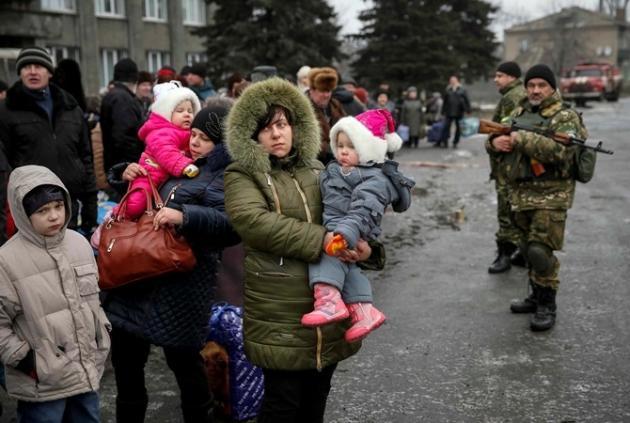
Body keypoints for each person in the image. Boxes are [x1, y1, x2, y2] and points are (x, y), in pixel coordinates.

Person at [223, 77, 367, 422]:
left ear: (295, 126)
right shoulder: (242, 174)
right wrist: (324, 241)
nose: (276, 134)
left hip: (329, 308)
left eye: (282, 124)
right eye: (266, 128)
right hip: (280, 310)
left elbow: (352, 215)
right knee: (282, 405)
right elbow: (254, 222)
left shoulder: (319, 169)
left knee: (316, 401)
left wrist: (366, 248)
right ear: (251, 135)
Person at [103, 99, 239, 422]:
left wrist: (185, 216)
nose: (194, 142)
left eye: (204, 138)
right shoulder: (176, 159)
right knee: (127, 367)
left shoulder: (227, 176)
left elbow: (231, 225)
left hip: (182, 288)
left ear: (221, 143)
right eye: (192, 134)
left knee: (186, 368)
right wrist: (125, 172)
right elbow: (143, 182)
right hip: (136, 276)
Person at [0, 165, 110, 423]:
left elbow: (92, 298)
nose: (54, 216)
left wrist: (101, 333)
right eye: (42, 210)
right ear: (23, 214)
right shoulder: (7, 260)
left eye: (58, 206)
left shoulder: (79, 244)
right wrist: (27, 361)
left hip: (85, 370)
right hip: (43, 384)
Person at [488, 64, 587, 331]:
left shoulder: (564, 117)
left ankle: (547, 305)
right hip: (520, 194)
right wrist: (494, 143)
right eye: (531, 85)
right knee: (526, 248)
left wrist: (521, 139)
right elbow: (495, 133)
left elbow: (560, 152)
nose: (535, 90)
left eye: (541, 85)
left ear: (552, 88)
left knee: (539, 251)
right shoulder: (519, 112)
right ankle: (535, 296)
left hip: (552, 194)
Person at [301, 109, 414, 343]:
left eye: (351, 147)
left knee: (327, 255)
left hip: (350, 227)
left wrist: (345, 233)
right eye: (340, 145)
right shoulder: (338, 170)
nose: (343, 151)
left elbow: (363, 210)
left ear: (367, 150)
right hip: (341, 225)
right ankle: (364, 310)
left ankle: (329, 302)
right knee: (349, 267)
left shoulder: (373, 179)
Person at [0, 46, 98, 244]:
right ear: (20, 72)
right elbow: (4, 165)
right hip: (31, 210)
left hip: (69, 205)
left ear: (50, 72)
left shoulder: (70, 107)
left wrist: (90, 206)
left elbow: (85, 157)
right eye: (27, 67)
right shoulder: (6, 110)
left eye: (39, 66)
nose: (33, 71)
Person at [111, 81, 201, 220]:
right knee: (136, 203)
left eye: (190, 111)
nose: (187, 114)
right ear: (167, 113)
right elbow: (167, 153)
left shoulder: (188, 133)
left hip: (167, 175)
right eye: (180, 111)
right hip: (150, 173)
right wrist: (184, 166)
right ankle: (119, 215)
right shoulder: (161, 132)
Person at [486, 61, 528, 274]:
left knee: (507, 210)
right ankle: (520, 252)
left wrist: (493, 141)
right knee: (517, 210)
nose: (496, 79)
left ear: (512, 77)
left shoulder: (513, 97)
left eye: (500, 75)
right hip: (516, 165)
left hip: (509, 166)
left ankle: (505, 255)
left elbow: (503, 131)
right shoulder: (517, 94)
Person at [100, 57, 144, 177]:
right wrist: (133, 163)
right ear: (135, 78)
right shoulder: (123, 100)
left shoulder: (112, 96)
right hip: (126, 169)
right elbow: (125, 136)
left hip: (116, 165)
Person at [307, 67, 346, 165]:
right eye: (322, 91)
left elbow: (347, 128)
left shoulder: (335, 105)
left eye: (328, 91)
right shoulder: (303, 108)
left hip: (338, 160)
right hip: (314, 164)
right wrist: (332, 149)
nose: (326, 95)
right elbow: (306, 141)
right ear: (312, 90)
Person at [439, 75, 471, 148]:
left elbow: (467, 100)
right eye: (451, 80)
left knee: (458, 128)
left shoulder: (462, 89)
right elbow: (445, 102)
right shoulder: (448, 89)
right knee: (446, 127)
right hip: (449, 111)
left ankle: (455, 142)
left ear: (457, 81)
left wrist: (468, 110)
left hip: (459, 111)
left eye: (454, 80)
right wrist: (442, 111)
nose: (453, 82)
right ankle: (445, 141)